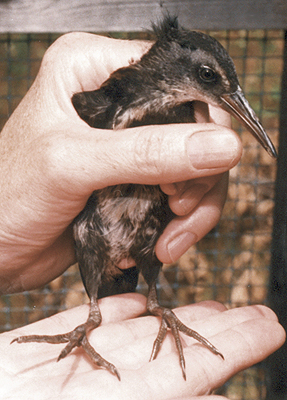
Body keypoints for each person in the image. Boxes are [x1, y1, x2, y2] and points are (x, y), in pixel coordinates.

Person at [0, 33, 284, 398]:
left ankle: (149, 299)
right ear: (174, 68)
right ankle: (111, 307)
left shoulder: (183, 116)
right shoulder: (104, 99)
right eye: (208, 78)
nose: (226, 98)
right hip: (96, 245)